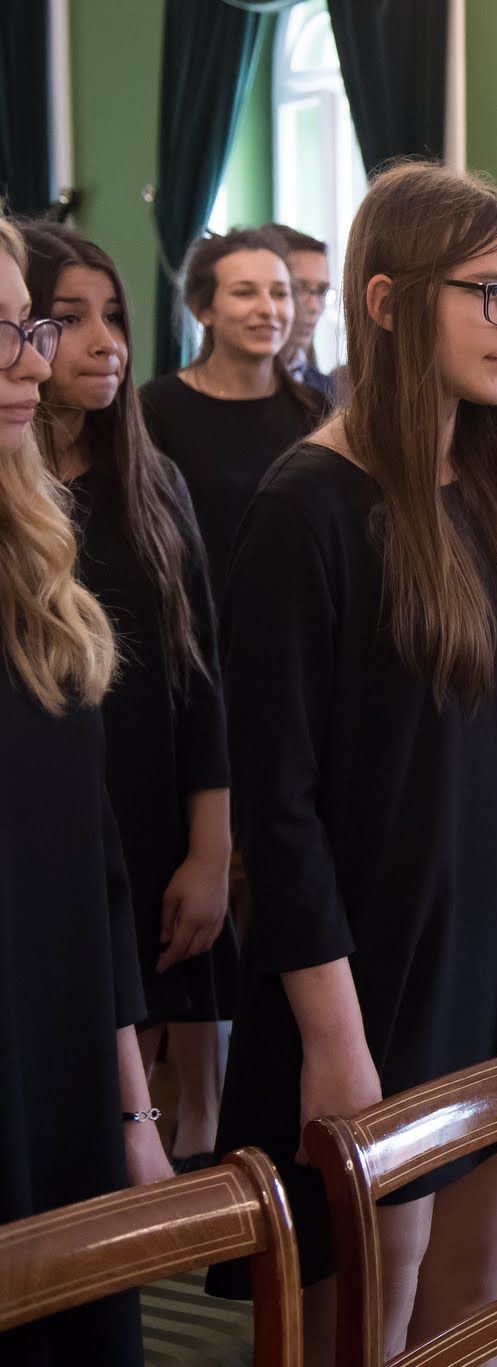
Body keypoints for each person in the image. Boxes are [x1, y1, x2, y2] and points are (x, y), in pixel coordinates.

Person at [207, 163, 497, 1364]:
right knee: (374, 1307)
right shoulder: (309, 505)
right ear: (386, 302)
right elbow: (277, 810)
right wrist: (333, 1037)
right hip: (377, 974)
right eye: (494, 294)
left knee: (475, 1294)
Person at [24, 222, 234, 1172]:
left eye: (113, 317)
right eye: (71, 320)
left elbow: (199, 674)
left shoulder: (153, 485)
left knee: (144, 1054)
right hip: (54, 830)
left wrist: (212, 844)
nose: (108, 340)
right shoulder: (16, 509)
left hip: (153, 813)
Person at [0, 214, 172, 1367]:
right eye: (5, 334)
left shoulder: (34, 557)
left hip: (57, 1083)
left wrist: (133, 1116)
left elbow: (91, 868)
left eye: (25, 326)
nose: (31, 359)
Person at [138, 227, 326, 602]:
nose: (268, 309)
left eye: (279, 293)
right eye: (244, 293)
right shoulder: (157, 408)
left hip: (297, 620)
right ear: (203, 308)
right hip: (199, 626)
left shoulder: (317, 410)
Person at [266, 223, 337, 401]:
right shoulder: (238, 384)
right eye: (299, 288)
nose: (314, 306)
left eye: (321, 291)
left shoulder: (326, 390)